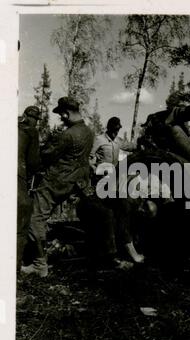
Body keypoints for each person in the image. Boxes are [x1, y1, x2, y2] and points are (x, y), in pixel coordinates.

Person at [21, 96, 94, 277]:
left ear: (66, 113)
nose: (61, 119)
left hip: (56, 181)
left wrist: (43, 148)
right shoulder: (89, 132)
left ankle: (40, 265)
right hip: (75, 181)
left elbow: (46, 156)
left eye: (61, 115)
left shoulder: (68, 134)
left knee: (35, 218)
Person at [89, 117, 144, 264]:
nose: (115, 133)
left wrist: (141, 144)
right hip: (101, 178)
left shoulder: (118, 141)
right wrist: (95, 170)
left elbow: (130, 146)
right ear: (109, 128)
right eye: (113, 130)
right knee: (108, 210)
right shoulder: (99, 139)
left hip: (113, 178)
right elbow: (90, 157)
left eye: (117, 130)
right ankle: (111, 248)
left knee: (118, 208)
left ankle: (119, 244)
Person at [17, 106, 41, 271]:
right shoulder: (31, 131)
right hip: (17, 176)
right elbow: (33, 163)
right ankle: (14, 266)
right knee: (22, 217)